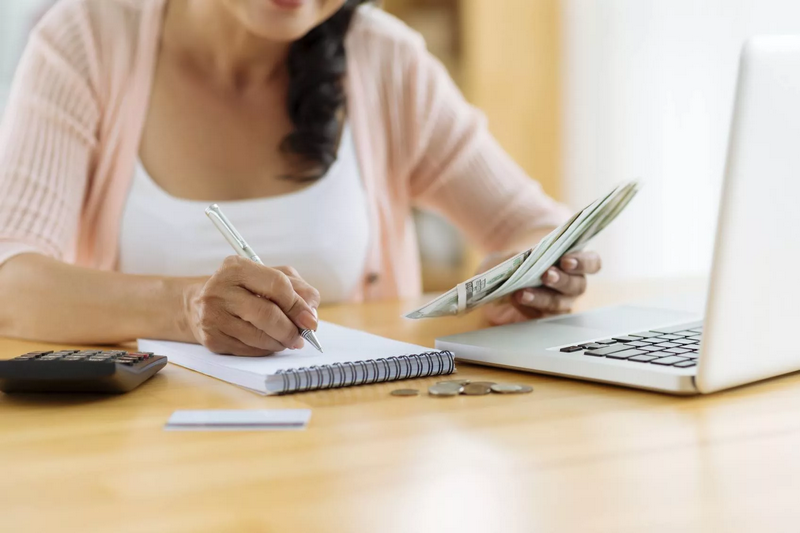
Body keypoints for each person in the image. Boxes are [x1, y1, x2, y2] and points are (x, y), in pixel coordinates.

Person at [0, 0, 601, 356]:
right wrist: (184, 308)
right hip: (131, 453)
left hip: (347, 447)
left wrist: (533, 275)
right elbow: (10, 280)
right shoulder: (87, 42)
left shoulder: (383, 58)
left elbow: (534, 223)